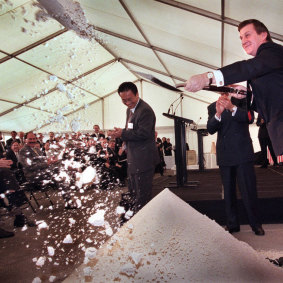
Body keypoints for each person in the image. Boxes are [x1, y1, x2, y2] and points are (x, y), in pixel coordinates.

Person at [185, 19, 283, 156]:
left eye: (247, 35)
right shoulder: (266, 63)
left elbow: (245, 68)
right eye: (241, 37)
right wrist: (248, 95)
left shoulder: (273, 52)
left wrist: (207, 77)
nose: (243, 41)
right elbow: (271, 99)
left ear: (263, 35)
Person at [207, 93, 264, 236]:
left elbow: (249, 118)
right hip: (225, 156)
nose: (223, 93)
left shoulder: (243, 102)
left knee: (249, 191)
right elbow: (210, 128)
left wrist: (232, 108)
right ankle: (232, 225)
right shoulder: (213, 107)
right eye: (221, 91)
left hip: (243, 154)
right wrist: (218, 114)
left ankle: (256, 225)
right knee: (228, 192)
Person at [112, 82, 159, 213]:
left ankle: (144, 224)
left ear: (137, 94)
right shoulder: (130, 110)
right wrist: (122, 137)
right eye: (123, 100)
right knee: (134, 194)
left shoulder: (145, 111)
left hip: (143, 160)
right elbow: (131, 130)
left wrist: (122, 133)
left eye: (129, 99)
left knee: (142, 197)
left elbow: (143, 133)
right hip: (134, 159)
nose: (127, 102)